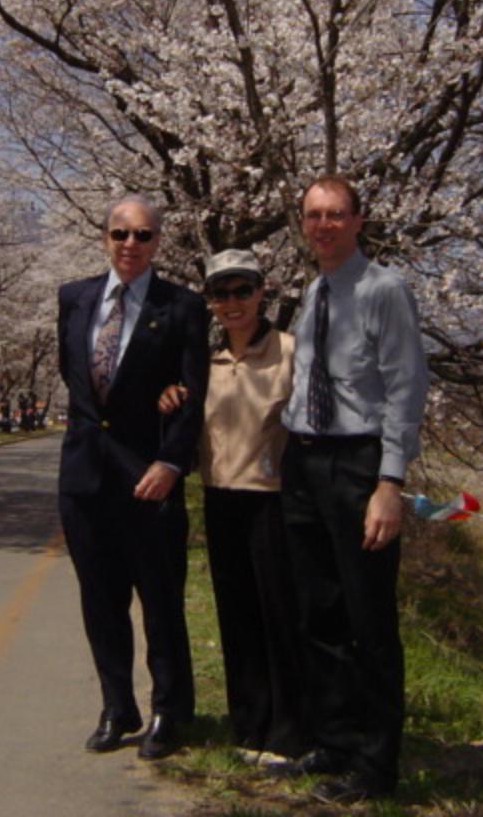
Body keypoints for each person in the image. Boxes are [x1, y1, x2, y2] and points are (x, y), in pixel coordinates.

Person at [276, 176, 429, 804]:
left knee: (368, 618)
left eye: (336, 214)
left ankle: (376, 761)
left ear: (359, 220)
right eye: (314, 215)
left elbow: (405, 387)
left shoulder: (383, 290)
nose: (324, 225)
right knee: (320, 612)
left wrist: (389, 481)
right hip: (305, 462)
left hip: (358, 465)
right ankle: (335, 740)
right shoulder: (314, 291)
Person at [56, 194, 209, 761]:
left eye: (142, 236)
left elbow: (193, 393)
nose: (130, 245)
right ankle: (117, 705)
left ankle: (171, 709)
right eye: (120, 233)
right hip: (84, 477)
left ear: (158, 243)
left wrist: (171, 461)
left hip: (150, 478)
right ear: (105, 236)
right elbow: (77, 380)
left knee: (161, 600)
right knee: (101, 600)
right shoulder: (74, 298)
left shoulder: (182, 306)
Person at [159, 249, 305, 765]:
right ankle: (249, 725)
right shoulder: (205, 361)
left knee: (279, 618)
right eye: (221, 293)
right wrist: (172, 396)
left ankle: (289, 733)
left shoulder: (291, 351)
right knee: (237, 617)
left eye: (242, 290)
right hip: (220, 500)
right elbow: (186, 412)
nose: (232, 302)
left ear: (262, 291)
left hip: (273, 503)